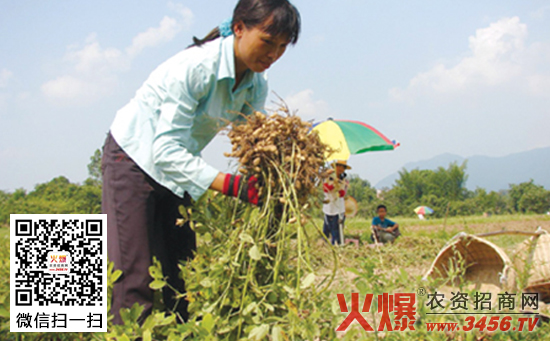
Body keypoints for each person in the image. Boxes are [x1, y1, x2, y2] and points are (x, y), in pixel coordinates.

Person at [101, 0, 301, 324]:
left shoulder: (256, 84)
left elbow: (251, 144)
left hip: (178, 169)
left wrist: (271, 182)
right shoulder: (196, 67)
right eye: (267, 42)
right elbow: (164, 149)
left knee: (182, 276)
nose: (273, 55)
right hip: (133, 159)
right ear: (239, 28)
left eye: (281, 47)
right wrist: (232, 185)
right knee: (135, 279)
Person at [322, 160, 350, 245]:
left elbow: (342, 193)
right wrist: (334, 184)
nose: (340, 169)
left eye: (342, 168)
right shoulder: (329, 177)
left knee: (336, 228)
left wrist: (339, 185)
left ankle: (336, 244)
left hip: (338, 207)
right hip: (329, 206)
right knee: (327, 228)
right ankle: (324, 244)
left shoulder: (344, 180)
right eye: (339, 167)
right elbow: (325, 188)